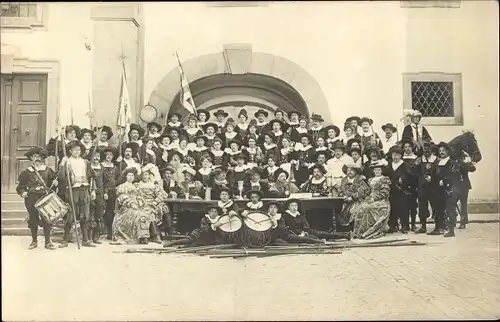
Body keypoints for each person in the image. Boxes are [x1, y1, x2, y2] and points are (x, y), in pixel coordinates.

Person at [16, 147, 58, 250]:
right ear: (31, 158)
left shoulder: (48, 170)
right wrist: (23, 192)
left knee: (47, 219)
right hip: (31, 198)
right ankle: (34, 241)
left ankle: (48, 242)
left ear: (43, 158)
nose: (37, 158)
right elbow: (21, 186)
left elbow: (53, 184)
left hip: (45, 197)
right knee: (33, 219)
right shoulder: (26, 172)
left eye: (39, 156)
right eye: (35, 156)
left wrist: (56, 184)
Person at [58, 141, 96, 248]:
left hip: (84, 189)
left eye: (79, 150)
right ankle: (65, 240)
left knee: (85, 215)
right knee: (70, 216)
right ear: (70, 151)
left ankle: (85, 239)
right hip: (72, 190)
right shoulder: (67, 162)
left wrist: (92, 190)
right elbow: (61, 177)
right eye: (75, 150)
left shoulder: (85, 162)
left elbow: (92, 177)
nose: (77, 151)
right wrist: (62, 164)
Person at [111, 168, 155, 244]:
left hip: (137, 207)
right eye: (129, 175)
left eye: (132, 175)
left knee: (145, 213)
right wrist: (131, 203)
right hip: (125, 208)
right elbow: (122, 197)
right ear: (126, 177)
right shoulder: (122, 186)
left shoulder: (136, 187)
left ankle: (144, 236)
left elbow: (139, 197)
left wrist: (140, 202)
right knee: (138, 214)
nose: (131, 177)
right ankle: (140, 237)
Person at [280, 199, 351, 244]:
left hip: (305, 232)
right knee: (309, 238)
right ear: (288, 207)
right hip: (294, 235)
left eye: (296, 205)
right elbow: (285, 230)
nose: (294, 207)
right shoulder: (285, 216)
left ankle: (345, 235)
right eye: (292, 206)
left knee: (322, 233)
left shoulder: (299, 215)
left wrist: (305, 232)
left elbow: (306, 226)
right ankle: (321, 242)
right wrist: (299, 234)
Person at [351, 162, 391, 239]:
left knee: (368, 208)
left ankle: (370, 231)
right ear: (373, 171)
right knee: (360, 207)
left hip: (381, 200)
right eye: (375, 170)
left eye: (379, 170)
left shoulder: (384, 179)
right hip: (370, 198)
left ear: (381, 171)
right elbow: (368, 191)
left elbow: (385, 193)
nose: (377, 171)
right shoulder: (370, 179)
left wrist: (374, 198)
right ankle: (359, 231)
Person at [431, 142, 461, 237]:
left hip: (448, 189)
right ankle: (439, 228)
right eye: (440, 151)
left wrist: (444, 181)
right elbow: (434, 173)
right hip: (437, 189)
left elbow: (453, 175)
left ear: (447, 151)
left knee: (449, 209)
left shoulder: (451, 162)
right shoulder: (438, 162)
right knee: (438, 208)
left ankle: (451, 230)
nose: (441, 152)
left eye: (443, 150)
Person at [137, 164, 169, 243]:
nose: (145, 176)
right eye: (143, 175)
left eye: (146, 174)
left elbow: (163, 194)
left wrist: (156, 201)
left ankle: (154, 235)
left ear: (149, 176)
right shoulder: (138, 185)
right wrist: (140, 201)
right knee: (146, 213)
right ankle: (151, 235)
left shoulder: (154, 185)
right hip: (142, 204)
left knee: (152, 212)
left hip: (153, 204)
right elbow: (136, 195)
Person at [386, 145, 412, 233]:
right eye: (393, 155)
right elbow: (386, 174)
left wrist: (403, 179)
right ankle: (393, 225)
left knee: (403, 208)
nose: (394, 157)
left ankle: (405, 225)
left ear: (401, 155)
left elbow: (409, 175)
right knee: (392, 207)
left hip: (402, 190)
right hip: (392, 190)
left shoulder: (405, 165)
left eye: (397, 155)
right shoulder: (389, 165)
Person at [337, 162, 371, 231]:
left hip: (358, 200)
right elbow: (340, 190)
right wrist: (343, 196)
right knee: (340, 210)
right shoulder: (344, 180)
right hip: (346, 201)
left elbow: (364, 191)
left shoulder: (360, 179)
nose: (349, 172)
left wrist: (352, 197)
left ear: (355, 171)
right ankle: (344, 229)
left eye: (351, 170)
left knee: (353, 211)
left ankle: (354, 228)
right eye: (348, 170)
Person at [414, 142, 438, 234]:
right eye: (425, 149)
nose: (427, 151)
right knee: (422, 206)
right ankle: (423, 226)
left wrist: (432, 178)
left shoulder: (436, 160)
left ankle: (438, 226)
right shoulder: (420, 160)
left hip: (433, 187)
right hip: (422, 186)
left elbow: (439, 173)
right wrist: (415, 165)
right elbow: (414, 172)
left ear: (432, 150)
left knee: (435, 205)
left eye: (429, 149)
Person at [102, 146, 120, 240]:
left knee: (111, 211)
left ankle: (110, 232)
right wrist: (104, 191)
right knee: (103, 211)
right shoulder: (101, 166)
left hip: (113, 192)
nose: (109, 156)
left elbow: (118, 179)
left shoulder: (115, 167)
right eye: (107, 154)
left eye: (111, 155)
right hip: (102, 191)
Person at [88, 148, 105, 244]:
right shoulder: (88, 167)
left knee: (98, 215)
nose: (96, 158)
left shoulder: (102, 167)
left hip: (100, 193)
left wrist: (105, 192)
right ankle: (89, 237)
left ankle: (96, 236)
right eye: (94, 156)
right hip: (89, 192)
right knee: (90, 215)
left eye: (98, 156)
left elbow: (105, 181)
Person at [402, 139, 420, 231]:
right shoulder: (402, 158)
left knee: (413, 205)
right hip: (404, 185)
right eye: (405, 147)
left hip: (414, 184)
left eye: (409, 146)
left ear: (412, 147)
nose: (407, 148)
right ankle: (405, 224)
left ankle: (413, 224)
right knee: (405, 205)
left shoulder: (416, 158)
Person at [457, 150, 477, 229]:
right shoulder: (455, 163)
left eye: (461, 158)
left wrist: (469, 163)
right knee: (452, 203)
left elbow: (473, 168)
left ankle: (463, 222)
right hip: (456, 186)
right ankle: (455, 219)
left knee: (463, 204)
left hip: (464, 186)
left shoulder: (464, 164)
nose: (460, 159)